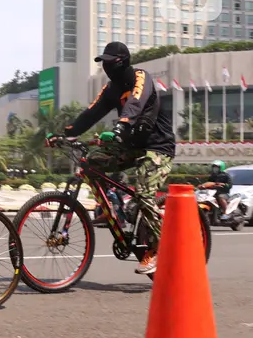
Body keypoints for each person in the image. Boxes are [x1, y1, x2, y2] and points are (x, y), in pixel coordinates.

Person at [46, 42, 175, 275]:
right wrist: (64, 134)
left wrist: (121, 126)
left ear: (122, 61)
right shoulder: (111, 89)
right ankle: (114, 209)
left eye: (109, 62)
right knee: (92, 162)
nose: (105, 66)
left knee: (145, 193)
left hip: (157, 147)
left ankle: (160, 248)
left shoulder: (140, 77)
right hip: (130, 146)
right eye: (102, 62)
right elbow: (91, 113)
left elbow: (135, 103)